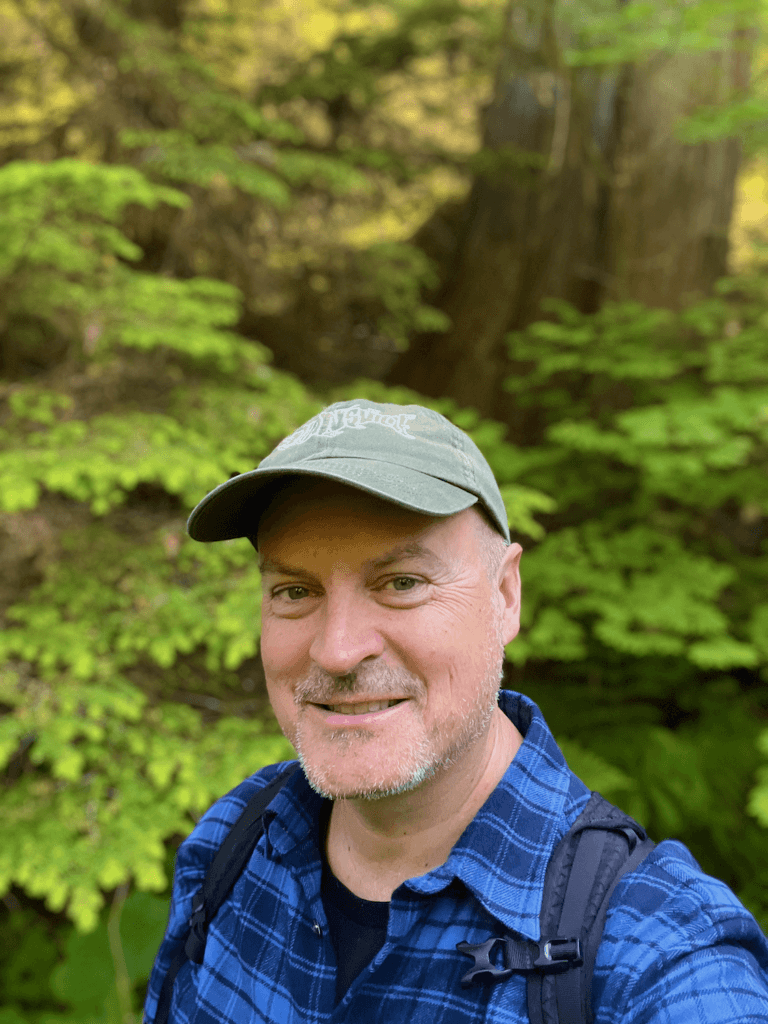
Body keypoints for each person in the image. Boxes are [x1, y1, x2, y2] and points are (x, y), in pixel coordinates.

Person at [144, 399, 768, 1024]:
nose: (336, 649)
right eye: (295, 591)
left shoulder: (657, 959)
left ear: (505, 595)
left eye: (402, 583)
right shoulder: (230, 844)